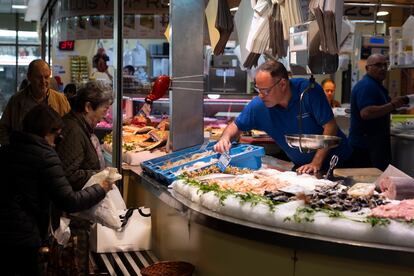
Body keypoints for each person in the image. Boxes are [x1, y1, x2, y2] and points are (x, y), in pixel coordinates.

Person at [0, 104, 113, 276]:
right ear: (47, 132)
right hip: (25, 235)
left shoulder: (6, 150)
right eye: (57, 136)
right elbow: (69, 201)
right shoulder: (45, 156)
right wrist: (101, 188)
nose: (56, 143)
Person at [214, 60, 351, 174]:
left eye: (265, 90)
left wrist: (316, 162)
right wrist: (225, 138)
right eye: (258, 89)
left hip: (340, 164)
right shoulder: (259, 105)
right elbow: (235, 126)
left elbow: (330, 126)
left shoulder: (309, 91)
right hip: (303, 169)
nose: (261, 95)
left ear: (283, 84)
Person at [55, 81, 113, 275]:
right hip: (73, 219)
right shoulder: (73, 130)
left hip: (80, 214)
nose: (105, 115)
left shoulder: (80, 127)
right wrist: (99, 175)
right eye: (104, 109)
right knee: (75, 266)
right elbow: (68, 173)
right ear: (88, 107)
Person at [348, 54, 408, 170]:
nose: (383, 68)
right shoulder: (367, 86)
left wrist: (396, 105)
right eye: (378, 65)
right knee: (367, 184)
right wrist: (393, 105)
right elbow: (366, 113)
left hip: (375, 146)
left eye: (385, 65)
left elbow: (381, 108)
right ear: (367, 68)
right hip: (365, 148)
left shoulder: (377, 86)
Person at [0, 59, 70, 145]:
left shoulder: (60, 99)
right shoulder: (16, 100)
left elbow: (69, 128)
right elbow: (3, 128)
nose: (43, 82)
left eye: (46, 77)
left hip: (53, 154)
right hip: (24, 153)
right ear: (29, 77)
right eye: (39, 77)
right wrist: (10, 149)